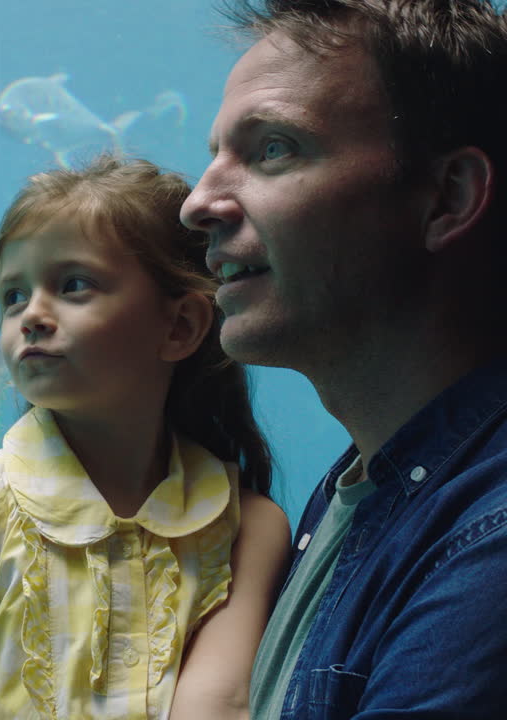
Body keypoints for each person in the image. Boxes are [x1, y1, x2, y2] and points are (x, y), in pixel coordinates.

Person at [179, 1, 507, 717]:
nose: (197, 203)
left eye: (273, 149)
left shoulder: (491, 538)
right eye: (214, 157)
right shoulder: (358, 487)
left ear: (447, 198)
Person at [0, 155, 291, 720]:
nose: (31, 315)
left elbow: (218, 704)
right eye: (13, 296)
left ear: (180, 327)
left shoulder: (248, 526)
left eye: (73, 285)